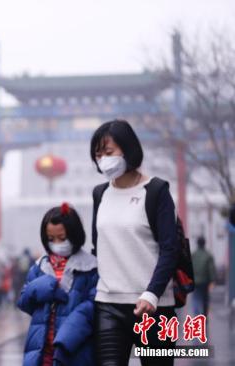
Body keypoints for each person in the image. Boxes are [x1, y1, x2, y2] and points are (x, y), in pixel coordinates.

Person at [90, 120, 179, 366]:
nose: (103, 160)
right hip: (108, 304)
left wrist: (151, 294)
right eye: (98, 155)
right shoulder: (100, 194)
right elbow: (99, 247)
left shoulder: (156, 191)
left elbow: (170, 249)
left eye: (109, 153)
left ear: (128, 149)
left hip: (154, 306)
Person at [18, 203, 97, 366]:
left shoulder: (90, 267)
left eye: (62, 238)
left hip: (74, 348)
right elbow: (24, 303)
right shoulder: (40, 266)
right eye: (51, 239)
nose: (57, 243)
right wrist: (38, 288)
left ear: (74, 235)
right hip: (41, 348)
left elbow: (94, 306)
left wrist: (68, 335)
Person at [191, 236, 216, 317]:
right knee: (205, 299)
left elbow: (190, 268)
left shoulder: (193, 255)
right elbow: (211, 269)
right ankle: (204, 315)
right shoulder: (208, 255)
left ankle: (197, 316)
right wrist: (212, 280)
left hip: (195, 281)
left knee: (195, 299)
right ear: (204, 243)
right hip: (205, 282)